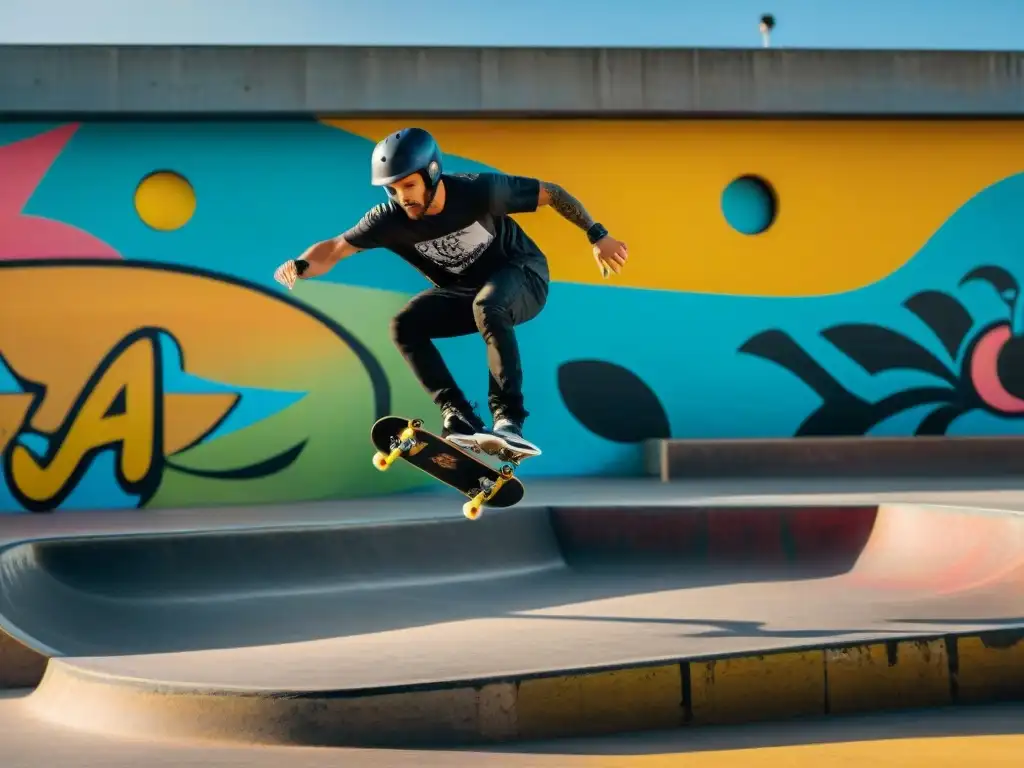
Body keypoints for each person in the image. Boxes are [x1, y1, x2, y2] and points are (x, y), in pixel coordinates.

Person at [273, 127, 628, 455]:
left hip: (524, 276)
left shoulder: (478, 191)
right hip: (468, 292)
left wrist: (597, 234)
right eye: (392, 190)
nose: (403, 199)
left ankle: (509, 420)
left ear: (431, 173)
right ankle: (458, 413)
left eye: (409, 186)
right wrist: (301, 266)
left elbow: (552, 193)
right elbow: (335, 249)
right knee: (405, 325)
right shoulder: (388, 219)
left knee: (489, 304)